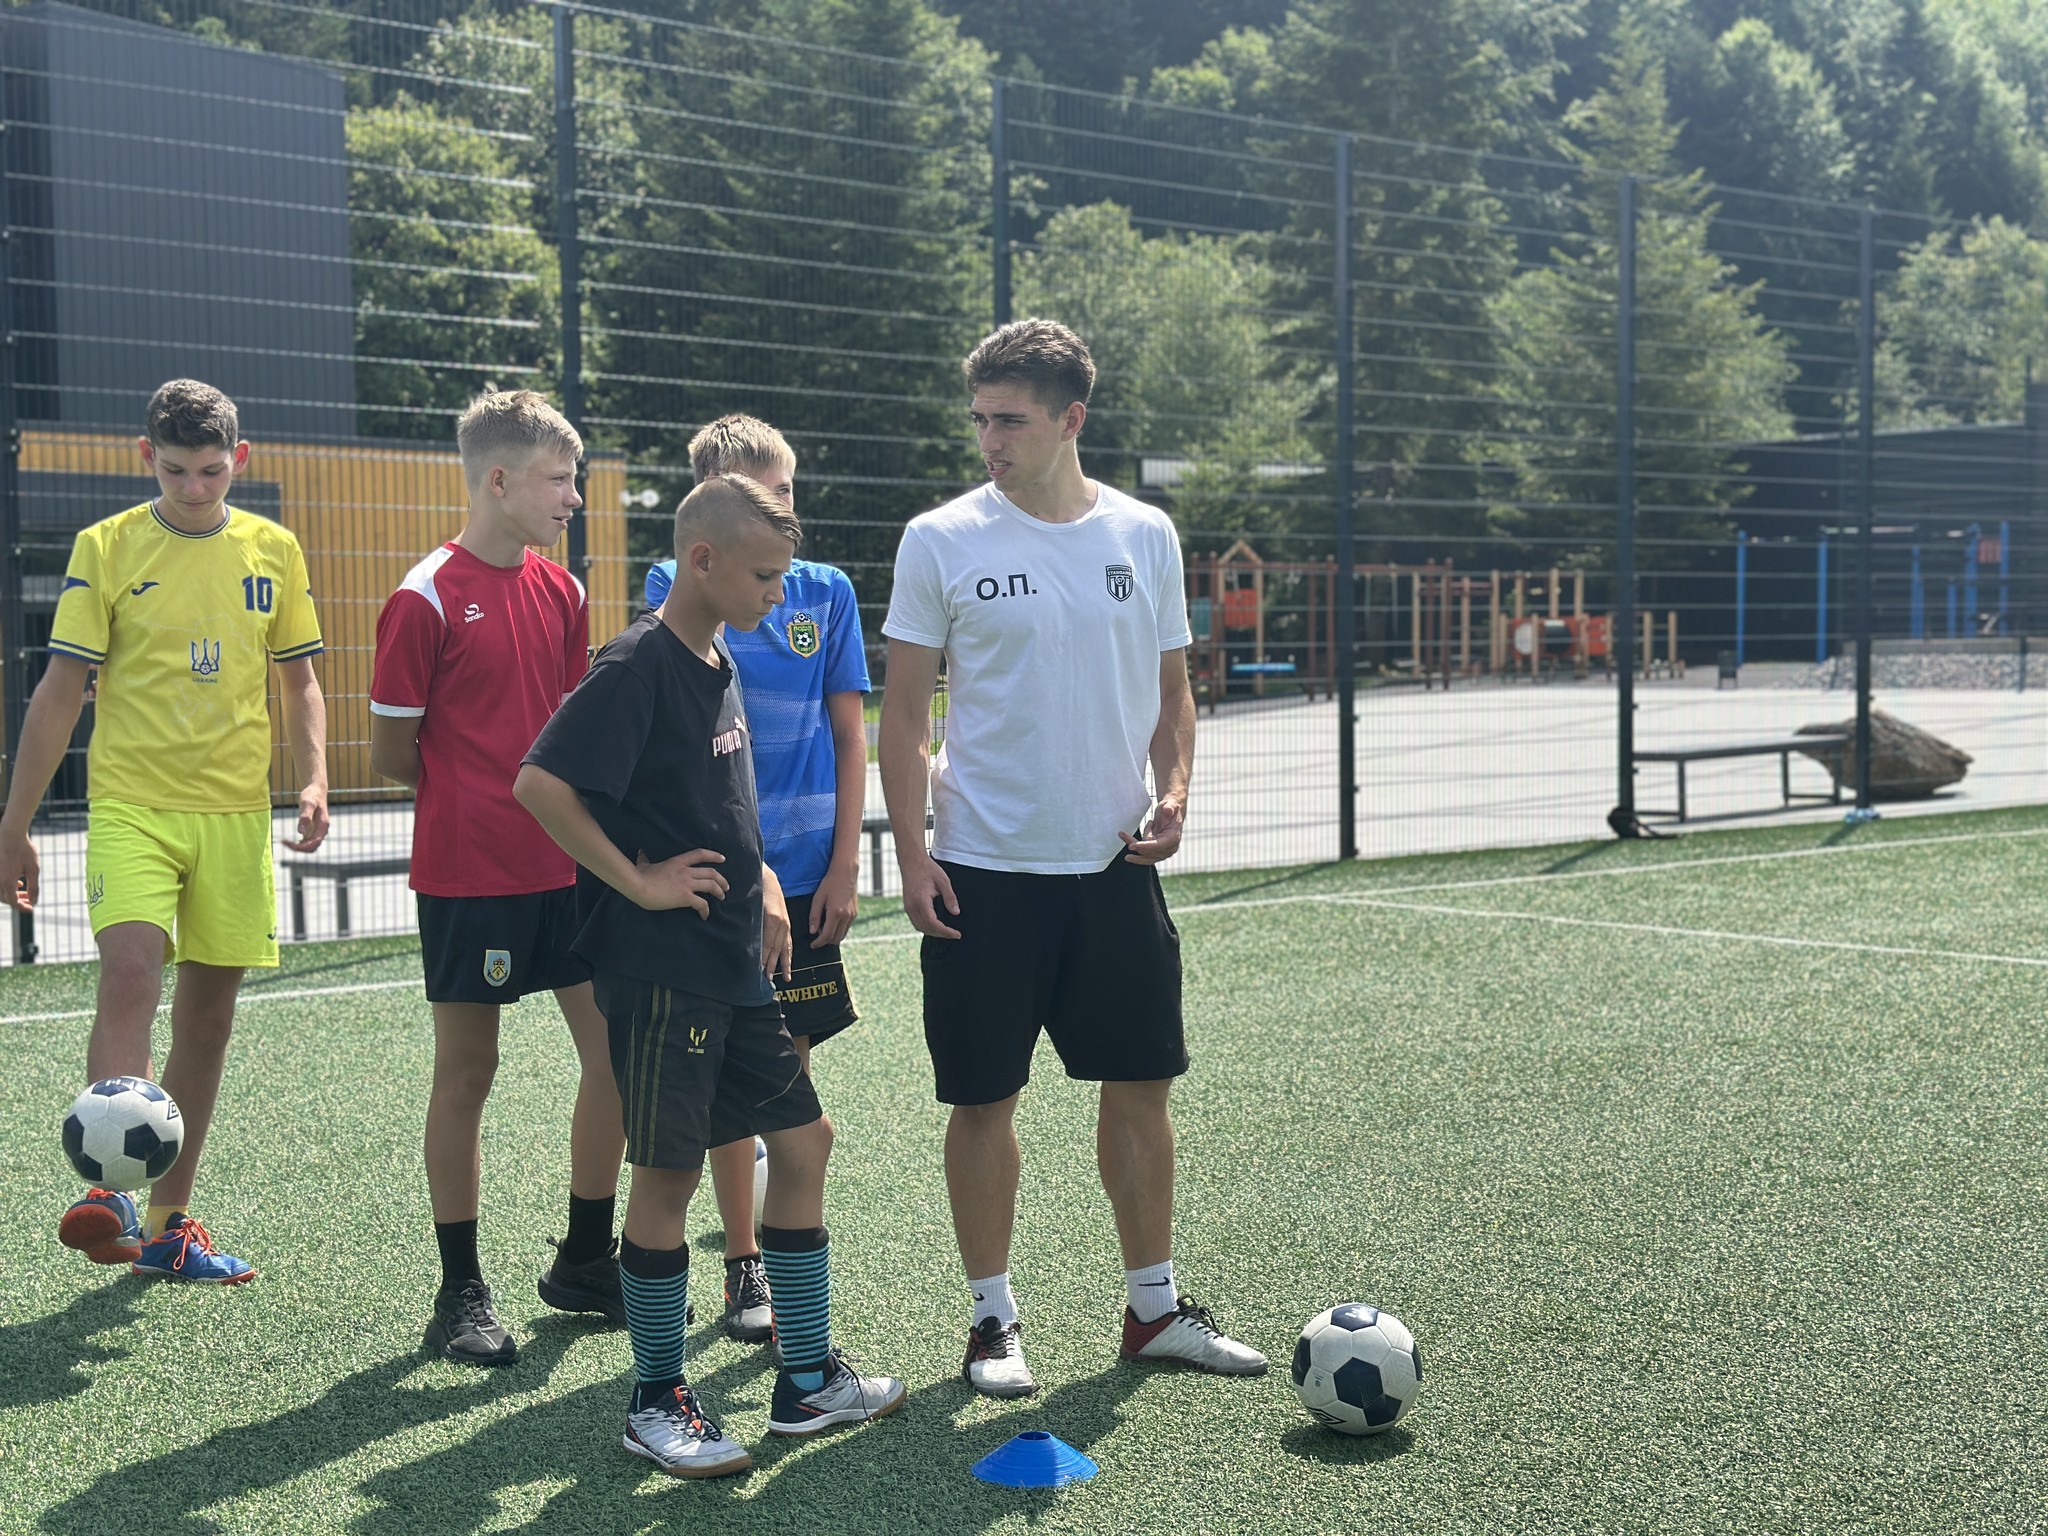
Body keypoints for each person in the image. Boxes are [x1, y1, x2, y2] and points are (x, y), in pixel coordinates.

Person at [878, 319, 1267, 1398]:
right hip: (982, 870)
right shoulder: (940, 539)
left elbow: (1173, 696)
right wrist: (911, 857)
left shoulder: (1145, 534)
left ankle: (1154, 1311)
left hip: (1114, 870)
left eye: (1009, 420)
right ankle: (991, 1323)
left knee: (1141, 1087)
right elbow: (902, 716)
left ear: (1071, 419)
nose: (989, 441)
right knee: (983, 1102)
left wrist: (1176, 792)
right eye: (980, 420)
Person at [516, 473, 902, 1479]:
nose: (778, 593)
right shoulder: (637, 661)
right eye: (765, 576)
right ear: (703, 560)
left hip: (734, 963)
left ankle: (806, 1379)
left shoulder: (717, 651)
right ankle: (655, 1402)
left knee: (805, 1142)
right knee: (669, 1178)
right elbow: (540, 783)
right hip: (663, 972)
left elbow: (719, 798)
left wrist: (763, 877)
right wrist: (639, 881)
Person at [1, 378, 329, 1284]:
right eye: (176, 469)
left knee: (208, 1020)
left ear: (240, 460)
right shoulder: (105, 547)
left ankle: (166, 1227)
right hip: (132, 807)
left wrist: (313, 777)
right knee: (131, 974)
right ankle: (109, 1188)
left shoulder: (274, 549)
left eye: (211, 471)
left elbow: (301, 679)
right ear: (147, 456)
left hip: (234, 817)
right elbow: (60, 690)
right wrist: (14, 822)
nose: (193, 487)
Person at [369, 388, 628, 1367]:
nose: (574, 498)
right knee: (468, 1073)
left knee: (613, 1053)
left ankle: (585, 1258)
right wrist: (473, 802)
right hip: (469, 876)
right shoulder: (423, 596)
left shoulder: (562, 592)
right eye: (560, 480)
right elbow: (392, 755)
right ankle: (459, 1293)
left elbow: (567, 732)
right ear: (499, 480)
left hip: (566, 868)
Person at [645, 414, 870, 1345]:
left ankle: (781, 1264)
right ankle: (743, 1263)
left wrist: (846, 862)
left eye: (788, 489)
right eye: (766, 494)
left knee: (788, 1078)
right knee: (723, 1079)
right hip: (726, 881)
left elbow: (850, 731)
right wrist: (755, 870)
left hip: (810, 874)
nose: (785, 508)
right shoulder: (677, 585)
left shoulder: (829, 591)